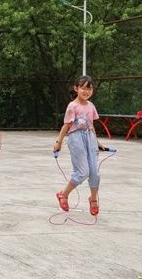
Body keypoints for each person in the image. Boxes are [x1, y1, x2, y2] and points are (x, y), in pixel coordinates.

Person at [53, 75, 108, 216]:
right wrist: (58, 142)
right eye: (83, 88)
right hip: (76, 139)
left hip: (90, 139)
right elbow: (66, 125)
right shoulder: (72, 106)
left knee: (94, 172)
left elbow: (91, 126)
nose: (86, 91)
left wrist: (97, 142)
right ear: (76, 89)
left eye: (89, 88)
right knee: (83, 172)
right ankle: (63, 195)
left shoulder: (91, 106)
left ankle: (93, 199)